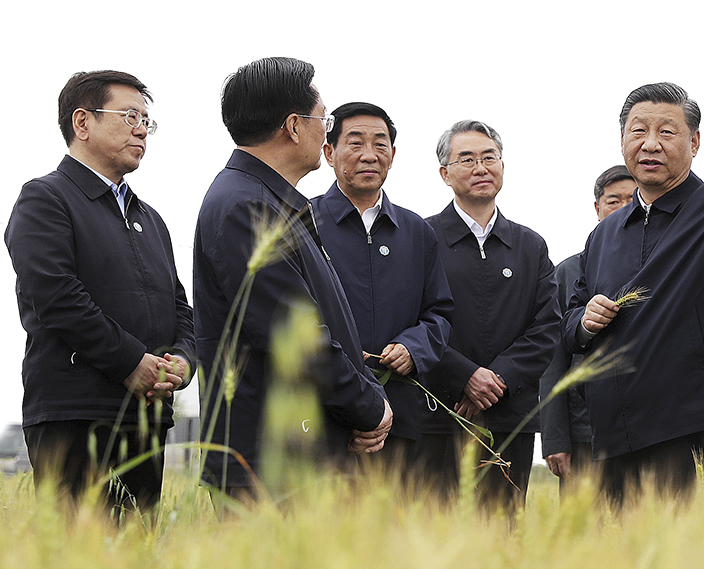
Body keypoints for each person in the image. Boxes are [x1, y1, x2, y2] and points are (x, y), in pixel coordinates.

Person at [561, 82, 704, 503]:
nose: (650, 144)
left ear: (695, 141)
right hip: (617, 432)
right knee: (624, 560)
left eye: (666, 132)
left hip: (700, 424)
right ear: (622, 140)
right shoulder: (604, 234)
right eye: (638, 131)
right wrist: (585, 320)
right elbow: (570, 321)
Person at [193, 58, 391, 497]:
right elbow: (298, 338)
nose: (326, 131)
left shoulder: (271, 201)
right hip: (270, 464)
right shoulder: (247, 208)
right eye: (325, 119)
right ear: (293, 126)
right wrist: (370, 407)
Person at [5, 70, 194, 512]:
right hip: (77, 413)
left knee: (138, 563)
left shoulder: (152, 218)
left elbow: (180, 308)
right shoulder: (45, 199)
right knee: (81, 566)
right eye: (129, 115)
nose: (141, 129)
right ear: (82, 123)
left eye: (147, 120)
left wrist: (183, 363)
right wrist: (131, 362)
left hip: (146, 416)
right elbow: (56, 296)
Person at [421, 120, 559, 510]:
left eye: (489, 157)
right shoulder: (422, 237)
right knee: (433, 536)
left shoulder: (529, 245)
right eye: (466, 159)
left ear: (502, 165)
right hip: (439, 414)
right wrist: (464, 376)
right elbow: (411, 320)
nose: (481, 167)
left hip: (508, 418)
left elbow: (546, 327)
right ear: (445, 173)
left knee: (503, 535)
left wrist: (496, 380)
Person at [311, 102, 453, 473]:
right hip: (324, 416)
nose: (369, 155)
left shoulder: (417, 231)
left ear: (393, 155)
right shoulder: (304, 224)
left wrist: (413, 348)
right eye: (355, 143)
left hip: (401, 415)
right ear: (329, 152)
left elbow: (438, 313)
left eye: (381, 144)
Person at [540, 165, 635, 491]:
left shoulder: (661, 267)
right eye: (613, 200)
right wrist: (555, 438)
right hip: (584, 432)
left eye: (632, 199)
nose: (623, 207)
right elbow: (551, 360)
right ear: (597, 208)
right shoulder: (566, 272)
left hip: (648, 428)